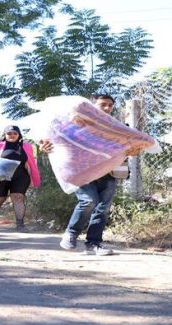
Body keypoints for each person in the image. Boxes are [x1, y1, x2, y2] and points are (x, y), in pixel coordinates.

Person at [40, 94, 135, 255]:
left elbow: (130, 146)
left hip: (108, 173)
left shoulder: (117, 128)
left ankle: (94, 243)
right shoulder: (75, 124)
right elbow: (53, 138)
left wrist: (134, 149)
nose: (107, 108)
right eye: (102, 104)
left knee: (102, 209)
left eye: (110, 105)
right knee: (89, 201)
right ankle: (71, 233)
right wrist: (44, 145)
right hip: (82, 173)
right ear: (91, 106)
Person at [0, 125, 41, 232]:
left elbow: (31, 163)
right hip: (0, 177)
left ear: (19, 135)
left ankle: (20, 224)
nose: (12, 135)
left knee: (18, 197)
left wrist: (34, 177)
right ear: (5, 134)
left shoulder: (26, 146)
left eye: (14, 133)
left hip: (20, 176)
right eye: (9, 133)